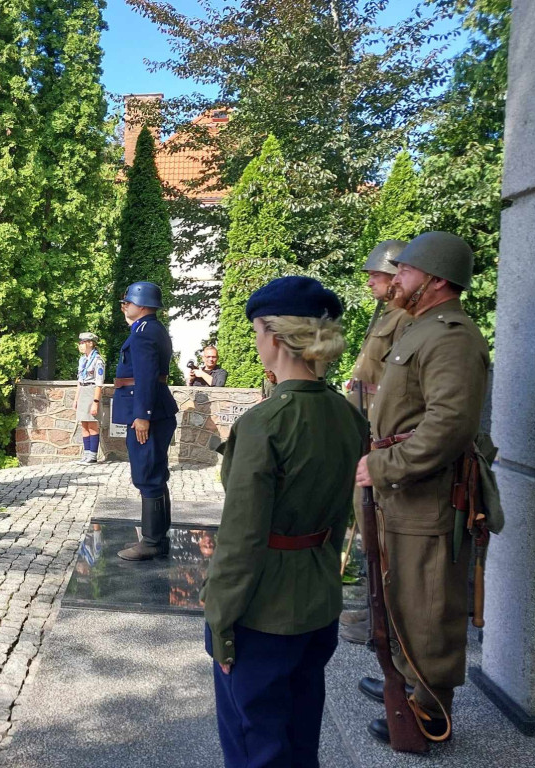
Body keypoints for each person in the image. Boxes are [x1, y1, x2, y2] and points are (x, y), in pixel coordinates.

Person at [202, 276, 367, 768]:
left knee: (256, 745)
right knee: (299, 739)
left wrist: (221, 620)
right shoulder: (346, 415)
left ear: (274, 334)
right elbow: (341, 517)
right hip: (317, 600)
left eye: (256, 330)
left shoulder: (265, 421)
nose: (255, 341)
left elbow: (242, 537)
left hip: (262, 612)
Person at [354, 231, 489, 744]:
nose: (396, 279)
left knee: (429, 598)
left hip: (427, 491)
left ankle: (430, 712)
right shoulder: (419, 328)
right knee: (402, 589)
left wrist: (386, 466)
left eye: (406, 272)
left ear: (433, 280)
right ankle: (409, 681)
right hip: (404, 485)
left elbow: (449, 425)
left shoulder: (451, 335)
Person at [339, 239, 408, 646]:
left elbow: (397, 386)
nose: (368, 280)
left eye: (376, 274)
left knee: (384, 535)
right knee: (370, 534)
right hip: (366, 434)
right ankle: (375, 616)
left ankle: (388, 626)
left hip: (384, 441)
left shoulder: (406, 320)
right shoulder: (387, 315)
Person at [112, 282, 179, 561]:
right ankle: (157, 537)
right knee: (154, 474)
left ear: (141, 304)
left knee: (147, 474)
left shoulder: (143, 332)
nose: (124, 306)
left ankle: (152, 541)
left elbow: (147, 376)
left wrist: (142, 416)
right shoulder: (150, 329)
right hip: (154, 410)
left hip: (147, 414)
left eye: (127, 302)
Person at [72, 332, 105, 465]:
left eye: (83, 342)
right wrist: (76, 399)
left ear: (90, 343)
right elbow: (80, 381)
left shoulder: (98, 360)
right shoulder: (82, 360)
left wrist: (95, 402)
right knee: (84, 424)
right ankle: (86, 454)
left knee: (92, 424)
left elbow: (99, 383)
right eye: (80, 343)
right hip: (83, 391)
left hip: (92, 391)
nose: (81, 345)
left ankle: (92, 455)